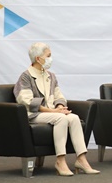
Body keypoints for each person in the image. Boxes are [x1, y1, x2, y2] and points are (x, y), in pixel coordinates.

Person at [13, 42, 100, 176]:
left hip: (52, 113)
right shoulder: (25, 76)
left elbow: (59, 96)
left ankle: (81, 159)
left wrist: (60, 107)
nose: (50, 59)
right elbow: (27, 101)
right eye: (48, 56)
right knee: (61, 119)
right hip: (33, 114)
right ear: (38, 59)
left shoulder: (51, 76)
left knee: (74, 118)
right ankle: (60, 161)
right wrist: (54, 111)